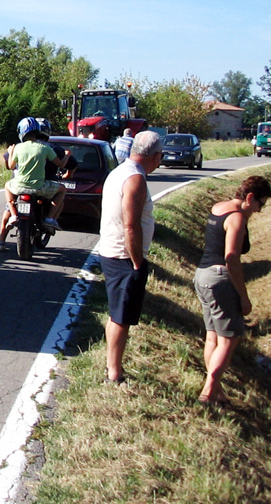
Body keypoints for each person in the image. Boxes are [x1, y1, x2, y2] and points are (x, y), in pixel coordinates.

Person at [193, 175, 271, 405]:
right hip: (220, 280)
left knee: (213, 337)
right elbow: (231, 258)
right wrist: (243, 297)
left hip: (202, 276)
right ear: (250, 198)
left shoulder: (218, 207)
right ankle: (209, 391)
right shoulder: (237, 218)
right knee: (230, 338)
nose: (259, 210)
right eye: (261, 204)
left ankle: (216, 391)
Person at [97, 129, 163, 384]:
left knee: (117, 313)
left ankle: (113, 366)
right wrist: (137, 262)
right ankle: (114, 371)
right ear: (156, 156)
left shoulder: (119, 171)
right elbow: (131, 225)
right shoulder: (135, 179)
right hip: (123, 256)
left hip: (112, 252)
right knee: (121, 317)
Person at [0, 117, 71, 249]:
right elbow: (61, 164)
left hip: (19, 187)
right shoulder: (44, 148)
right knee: (62, 189)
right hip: (39, 188)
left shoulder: (19, 147)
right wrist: (67, 155)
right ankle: (49, 218)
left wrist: (11, 152)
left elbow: (11, 165)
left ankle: (13, 216)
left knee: (7, 186)